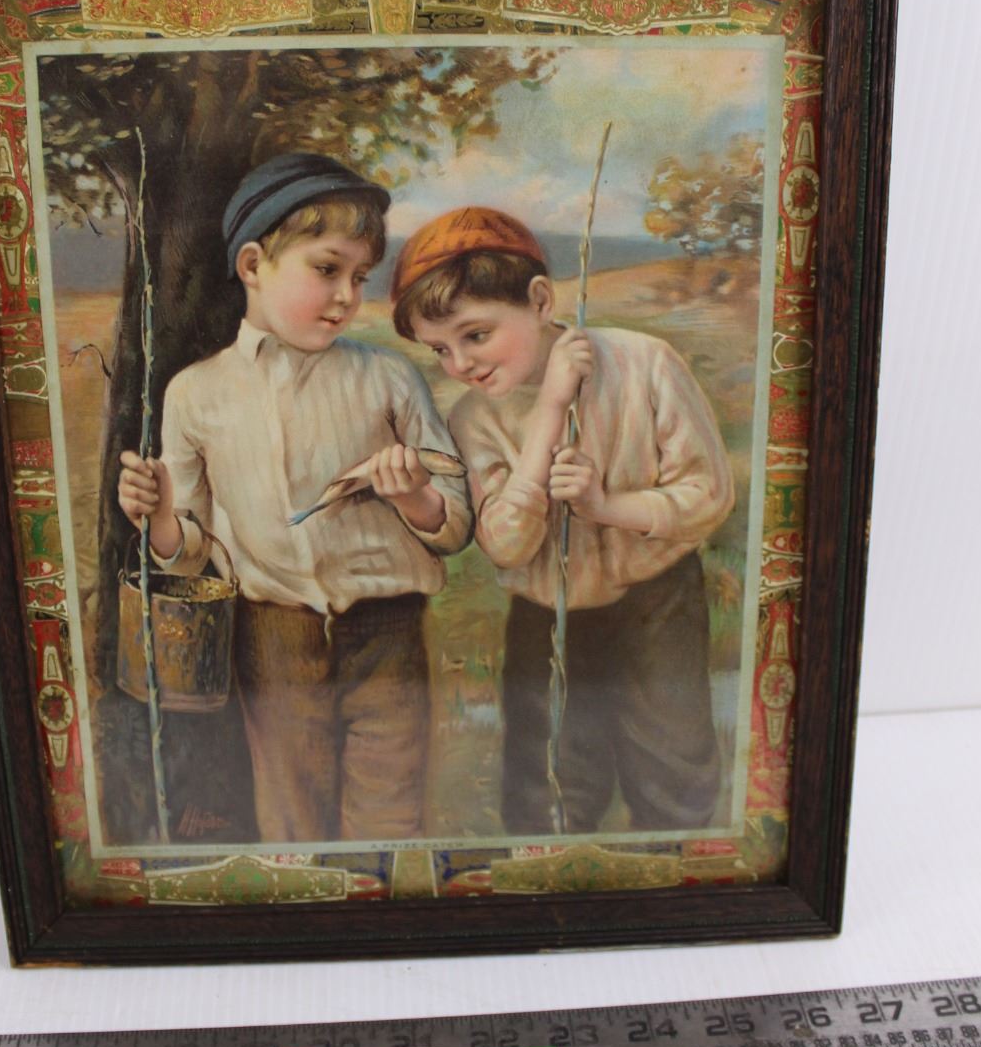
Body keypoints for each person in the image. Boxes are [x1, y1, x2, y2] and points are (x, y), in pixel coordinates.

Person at [118, 153, 472, 844]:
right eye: (327, 269)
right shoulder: (196, 393)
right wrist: (159, 516)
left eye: (360, 278)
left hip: (387, 629)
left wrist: (414, 499)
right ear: (253, 265)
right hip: (272, 635)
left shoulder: (388, 378)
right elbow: (190, 555)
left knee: (390, 810)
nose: (347, 296)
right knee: (292, 813)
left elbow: (455, 524)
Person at [391, 205, 735, 835]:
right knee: (549, 776)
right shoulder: (474, 419)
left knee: (671, 763)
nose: (460, 364)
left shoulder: (645, 363)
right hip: (544, 612)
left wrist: (609, 509)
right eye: (440, 350)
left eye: (475, 335)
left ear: (540, 301)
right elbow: (505, 545)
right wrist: (550, 411)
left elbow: (709, 493)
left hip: (657, 602)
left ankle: (672, 874)